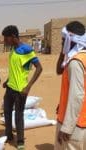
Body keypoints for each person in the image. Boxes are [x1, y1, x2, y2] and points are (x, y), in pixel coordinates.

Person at [2, 25, 42, 150]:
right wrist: (7, 80)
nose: (5, 41)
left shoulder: (26, 49)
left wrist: (28, 87)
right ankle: (8, 135)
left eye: (6, 38)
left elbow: (39, 68)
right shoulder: (13, 50)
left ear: (13, 36)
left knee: (18, 115)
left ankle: (20, 141)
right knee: (7, 112)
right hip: (10, 88)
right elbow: (15, 69)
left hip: (20, 90)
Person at [55, 21, 86, 150]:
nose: (62, 43)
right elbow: (59, 70)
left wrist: (66, 127)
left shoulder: (75, 62)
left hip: (74, 127)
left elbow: (77, 96)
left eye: (64, 40)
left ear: (71, 40)